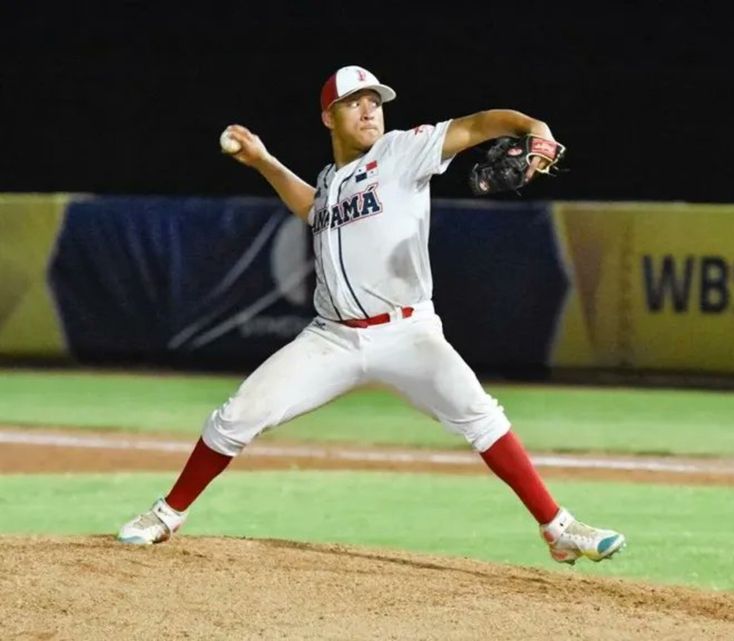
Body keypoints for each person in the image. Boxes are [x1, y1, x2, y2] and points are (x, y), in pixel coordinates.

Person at [118, 65, 626, 565]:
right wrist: (264, 161)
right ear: (328, 117)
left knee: (482, 417)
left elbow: (479, 123)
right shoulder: (332, 180)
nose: (369, 110)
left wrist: (534, 129)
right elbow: (315, 209)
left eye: (375, 102)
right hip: (332, 339)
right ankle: (167, 514)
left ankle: (559, 529)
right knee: (235, 418)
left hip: (408, 332)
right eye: (355, 102)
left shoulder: (402, 152)